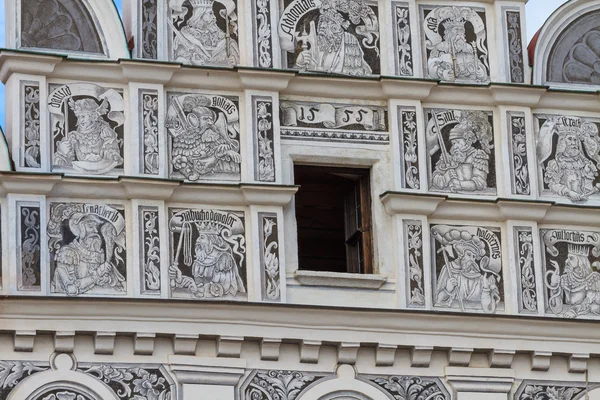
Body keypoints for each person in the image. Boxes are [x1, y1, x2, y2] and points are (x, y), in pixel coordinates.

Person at [171, 97, 241, 180]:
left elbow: (220, 154)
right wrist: (190, 173)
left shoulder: (216, 138)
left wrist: (227, 152)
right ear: (194, 121)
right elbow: (179, 162)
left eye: (211, 119)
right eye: (205, 119)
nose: (210, 122)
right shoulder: (182, 140)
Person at [53, 213, 125, 295]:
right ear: (80, 229)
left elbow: (118, 288)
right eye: (91, 226)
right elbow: (71, 289)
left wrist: (108, 279)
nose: (96, 231)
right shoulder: (67, 253)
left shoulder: (99, 253)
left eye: (96, 227)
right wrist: (97, 275)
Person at [295, 8, 371, 76]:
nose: (322, 26)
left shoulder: (348, 43)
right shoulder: (317, 48)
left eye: (326, 23)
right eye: (321, 23)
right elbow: (300, 75)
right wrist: (299, 64)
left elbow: (365, 73)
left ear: (335, 28)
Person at [54, 98, 123, 172]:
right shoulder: (72, 137)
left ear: (93, 117)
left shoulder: (105, 133)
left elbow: (113, 159)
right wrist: (62, 153)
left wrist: (113, 155)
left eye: (83, 116)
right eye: (79, 117)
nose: (81, 120)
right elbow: (59, 167)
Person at [431, 115, 491, 192]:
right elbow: (435, 179)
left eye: (458, 142)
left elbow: (480, 183)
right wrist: (446, 177)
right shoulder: (448, 158)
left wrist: (460, 185)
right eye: (453, 143)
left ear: (468, 141)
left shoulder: (478, 156)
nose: (454, 146)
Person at [172, 0, 239, 66]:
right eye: (210, 13)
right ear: (200, 14)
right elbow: (179, 59)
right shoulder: (184, 37)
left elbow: (233, 57)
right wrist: (191, 62)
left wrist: (232, 60)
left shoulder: (221, 37)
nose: (214, 17)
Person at [544, 126, 599, 202]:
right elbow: (553, 185)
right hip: (562, 205)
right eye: (570, 139)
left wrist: (587, 173)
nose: (573, 143)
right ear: (563, 141)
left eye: (575, 140)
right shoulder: (555, 163)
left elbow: (587, 188)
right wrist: (568, 192)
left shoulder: (582, 162)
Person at [427, 17, 487, 82]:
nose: (460, 34)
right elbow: (431, 66)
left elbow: (476, 62)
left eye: (462, 32)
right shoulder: (441, 48)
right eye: (456, 31)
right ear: (449, 34)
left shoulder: (468, 48)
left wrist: (481, 72)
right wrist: (442, 73)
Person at [435, 238, 486, 307]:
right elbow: (437, 300)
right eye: (469, 255)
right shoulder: (449, 268)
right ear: (461, 255)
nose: (472, 259)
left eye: (474, 256)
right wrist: (447, 290)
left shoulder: (479, 278)